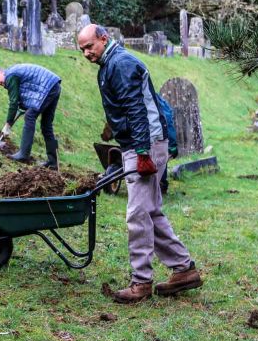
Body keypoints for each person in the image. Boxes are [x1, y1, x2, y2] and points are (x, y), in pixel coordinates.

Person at [77, 24, 202, 303]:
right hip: (141, 143)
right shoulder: (110, 64)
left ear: (104, 39)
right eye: (82, 49)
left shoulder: (120, 64)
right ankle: (183, 269)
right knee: (150, 211)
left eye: (89, 46)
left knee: (137, 214)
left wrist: (143, 152)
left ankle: (141, 281)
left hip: (144, 144)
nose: (86, 53)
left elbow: (136, 109)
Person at [0, 64, 62, 170]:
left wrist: (8, 124)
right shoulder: (12, 74)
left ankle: (23, 154)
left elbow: (13, 102)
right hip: (54, 85)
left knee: (30, 116)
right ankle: (53, 163)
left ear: (1, 72)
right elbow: (24, 95)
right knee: (46, 125)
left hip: (47, 87)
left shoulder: (10, 76)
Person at [101, 92, 177, 194]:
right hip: (137, 136)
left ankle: (161, 184)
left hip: (154, 134)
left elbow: (167, 122)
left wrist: (172, 145)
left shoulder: (156, 103)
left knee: (160, 154)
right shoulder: (126, 96)